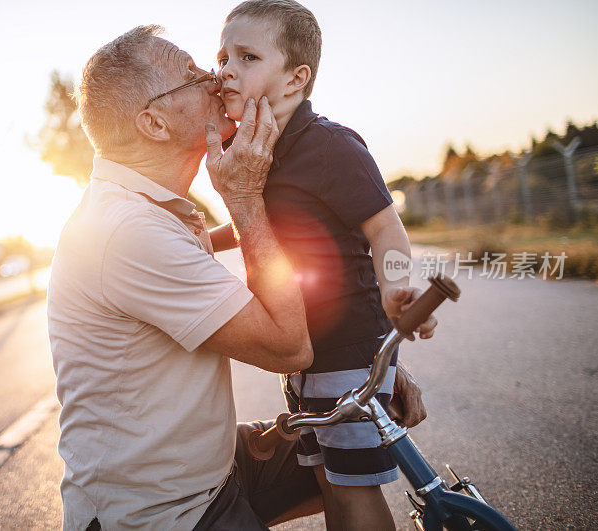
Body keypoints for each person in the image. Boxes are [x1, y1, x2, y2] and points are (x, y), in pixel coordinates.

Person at [47, 25, 432, 530]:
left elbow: (353, 249)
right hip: (162, 511)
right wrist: (245, 199)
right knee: (345, 461)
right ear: (155, 123)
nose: (217, 77)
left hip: (215, 463)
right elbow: (288, 347)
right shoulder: (127, 231)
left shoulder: (158, 210)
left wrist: (368, 368)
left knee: (354, 438)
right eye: (194, 75)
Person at [211, 1, 434, 529]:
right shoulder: (251, 148)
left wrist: (394, 290)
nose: (225, 70)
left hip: (348, 344)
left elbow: (385, 228)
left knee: (351, 489)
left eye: (246, 57)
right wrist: (208, 238)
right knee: (325, 482)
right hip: (305, 350)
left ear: (295, 79)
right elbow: (265, 220)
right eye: (222, 56)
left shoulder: (330, 146)